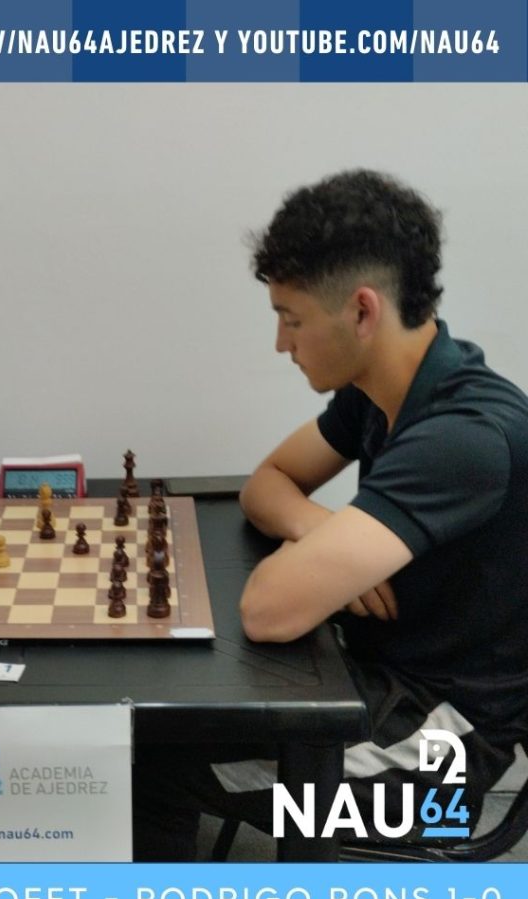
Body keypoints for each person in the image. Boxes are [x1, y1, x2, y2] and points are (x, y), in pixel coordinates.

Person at [134, 169, 528, 858]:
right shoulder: (382, 391)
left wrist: (314, 564)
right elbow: (268, 483)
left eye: (291, 319)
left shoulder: (464, 439)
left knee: (154, 755)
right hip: (374, 680)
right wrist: (317, 529)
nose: (281, 344)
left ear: (362, 312)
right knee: (166, 723)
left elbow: (269, 610)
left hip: (443, 771)